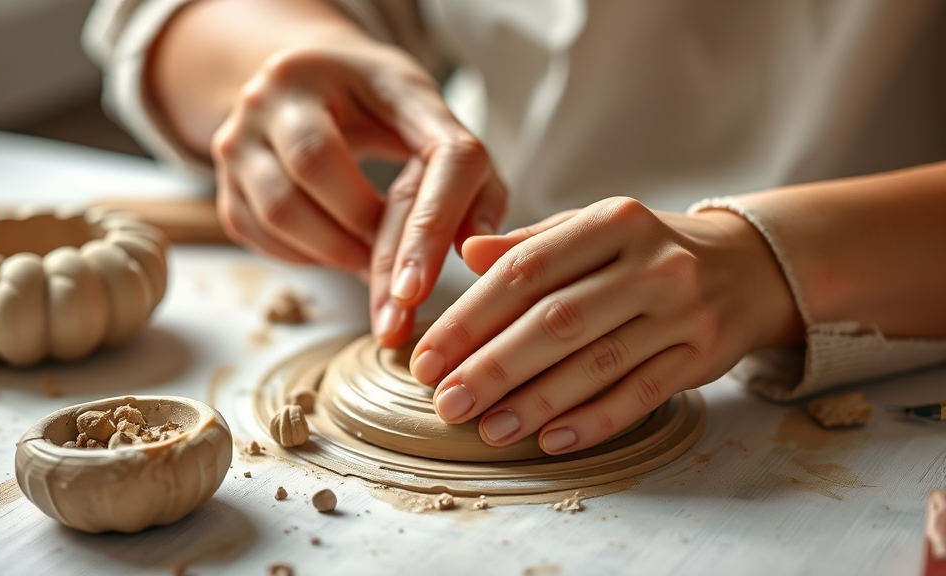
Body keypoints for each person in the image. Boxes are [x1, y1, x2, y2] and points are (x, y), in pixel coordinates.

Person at [84, 0, 946, 455]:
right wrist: (279, 69)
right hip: (467, 257)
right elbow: (177, 15)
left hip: (881, 327)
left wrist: (773, 261)